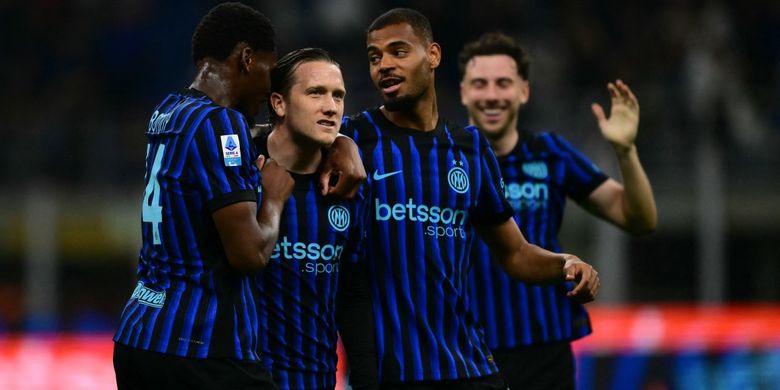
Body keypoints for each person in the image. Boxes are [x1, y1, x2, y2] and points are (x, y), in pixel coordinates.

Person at [338, 8, 600, 389]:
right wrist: (339, 141)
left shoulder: (470, 149)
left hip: (469, 366)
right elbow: (287, 138)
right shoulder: (352, 139)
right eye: (375, 57)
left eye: (398, 51)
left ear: (433, 56)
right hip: (389, 373)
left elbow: (514, 252)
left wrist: (565, 263)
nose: (384, 66)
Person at [112, 3, 365, 389]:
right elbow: (249, 254)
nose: (267, 91)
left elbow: (230, 144)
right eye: (268, 70)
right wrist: (276, 198)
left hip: (139, 333)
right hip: (199, 344)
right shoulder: (221, 122)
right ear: (247, 59)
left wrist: (342, 138)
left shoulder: (167, 113)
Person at [458, 32, 657, 389]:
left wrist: (625, 151)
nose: (491, 95)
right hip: (466, 352)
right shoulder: (443, 160)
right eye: (479, 84)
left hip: (545, 354)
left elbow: (638, 218)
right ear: (463, 92)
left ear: (523, 91)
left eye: (503, 83)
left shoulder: (550, 153)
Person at [252, 47, 377, 390]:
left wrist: (367, 378)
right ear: (278, 103)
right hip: (242, 376)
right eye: (315, 93)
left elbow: (352, 292)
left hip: (318, 379)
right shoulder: (240, 169)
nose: (331, 106)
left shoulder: (350, 184)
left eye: (338, 96)